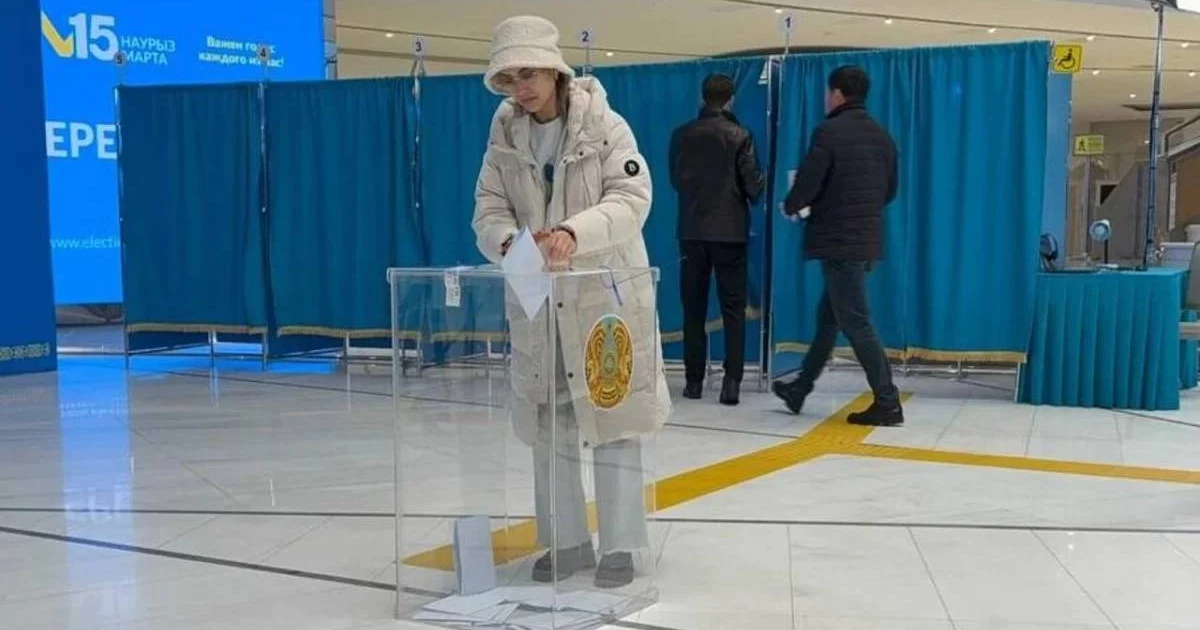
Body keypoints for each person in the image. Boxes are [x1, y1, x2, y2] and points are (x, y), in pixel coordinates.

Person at [471, 15, 672, 589]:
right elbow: (487, 210)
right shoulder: (503, 136)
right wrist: (508, 243)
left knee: (612, 416)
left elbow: (632, 198)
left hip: (603, 298)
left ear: (555, 72)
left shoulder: (605, 124)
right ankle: (566, 541)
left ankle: (620, 544)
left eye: (529, 74)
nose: (521, 88)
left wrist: (572, 233)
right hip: (539, 297)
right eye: (510, 78)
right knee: (549, 419)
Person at [772, 65, 904, 427]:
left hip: (840, 242)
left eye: (828, 93)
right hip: (866, 241)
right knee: (829, 318)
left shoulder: (829, 132)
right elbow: (889, 191)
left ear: (837, 94)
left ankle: (888, 401)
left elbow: (810, 180)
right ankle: (800, 388)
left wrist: (791, 205)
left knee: (856, 322)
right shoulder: (882, 136)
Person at [669, 74, 764, 406]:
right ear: (731, 99)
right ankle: (731, 384)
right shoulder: (741, 135)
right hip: (730, 233)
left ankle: (693, 382)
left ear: (702, 97)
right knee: (733, 309)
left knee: (693, 308)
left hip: (692, 230)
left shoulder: (682, 134)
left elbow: (676, 180)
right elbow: (753, 187)